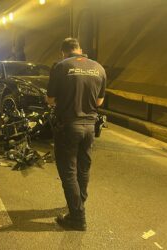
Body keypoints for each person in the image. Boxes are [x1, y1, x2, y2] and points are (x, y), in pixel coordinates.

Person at [46, 38, 106, 231]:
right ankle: (79, 202)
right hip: (90, 127)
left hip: (68, 126)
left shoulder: (61, 66)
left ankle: (77, 218)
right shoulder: (98, 68)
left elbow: (51, 99)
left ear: (63, 52)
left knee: (68, 172)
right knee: (83, 168)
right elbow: (99, 102)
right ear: (80, 49)